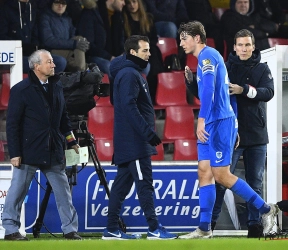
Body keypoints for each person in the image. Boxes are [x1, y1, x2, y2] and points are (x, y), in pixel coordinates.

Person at [177, 21, 278, 239]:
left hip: (219, 123)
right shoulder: (207, 58)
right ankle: (204, 228)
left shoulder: (207, 56)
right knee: (204, 172)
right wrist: (191, 83)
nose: (181, 42)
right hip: (215, 121)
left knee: (222, 175)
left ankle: (267, 210)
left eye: (184, 38)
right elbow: (211, 90)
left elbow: (210, 89)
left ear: (196, 38)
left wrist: (201, 119)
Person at [102, 35, 177, 240]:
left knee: (121, 186)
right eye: (145, 50)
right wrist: (147, 132)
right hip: (135, 141)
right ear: (133, 53)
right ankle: (154, 228)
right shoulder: (129, 74)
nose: (149, 54)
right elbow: (127, 106)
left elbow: (120, 103)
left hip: (130, 140)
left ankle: (111, 228)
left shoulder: (129, 73)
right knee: (144, 185)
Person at [2, 49, 82, 241]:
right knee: (17, 191)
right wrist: (14, 153)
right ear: (36, 66)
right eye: (49, 62)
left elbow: (63, 118)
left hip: (53, 149)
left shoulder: (57, 87)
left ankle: (70, 230)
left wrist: (71, 141)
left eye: (52, 61)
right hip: (28, 151)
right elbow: (12, 124)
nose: (54, 65)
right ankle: (11, 230)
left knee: (63, 192)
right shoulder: (21, 90)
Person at [210, 29, 275, 238]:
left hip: (257, 136)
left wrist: (244, 89)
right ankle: (209, 225)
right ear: (234, 47)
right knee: (221, 180)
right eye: (240, 45)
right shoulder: (226, 68)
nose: (244, 49)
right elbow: (211, 93)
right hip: (231, 136)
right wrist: (191, 83)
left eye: (247, 45)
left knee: (255, 182)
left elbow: (268, 93)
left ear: (253, 46)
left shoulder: (263, 69)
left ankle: (254, 226)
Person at [0, 0, 67, 73]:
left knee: (60, 62)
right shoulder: (5, 8)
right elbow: (2, 36)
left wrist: (35, 48)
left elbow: (35, 35)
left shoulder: (33, 8)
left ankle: (42, 83)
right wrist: (21, 46)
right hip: (11, 56)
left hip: (31, 55)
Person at [122, 0, 164, 102]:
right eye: (128, 3)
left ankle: (153, 98)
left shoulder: (148, 18)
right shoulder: (123, 19)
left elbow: (154, 38)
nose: (132, 5)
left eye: (134, 2)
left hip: (149, 50)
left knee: (154, 63)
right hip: (133, 52)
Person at [39, 0, 89, 72]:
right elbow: (48, 41)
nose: (60, 6)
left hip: (67, 50)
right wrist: (74, 44)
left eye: (63, 3)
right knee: (78, 42)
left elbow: (73, 37)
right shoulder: (45, 17)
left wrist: (81, 44)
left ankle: (81, 69)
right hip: (50, 51)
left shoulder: (67, 19)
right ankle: (83, 70)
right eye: (57, 2)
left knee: (80, 40)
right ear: (51, 3)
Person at [77, 0, 114, 77]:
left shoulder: (99, 9)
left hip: (102, 54)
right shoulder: (87, 14)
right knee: (108, 66)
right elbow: (89, 45)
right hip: (91, 56)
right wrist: (109, 57)